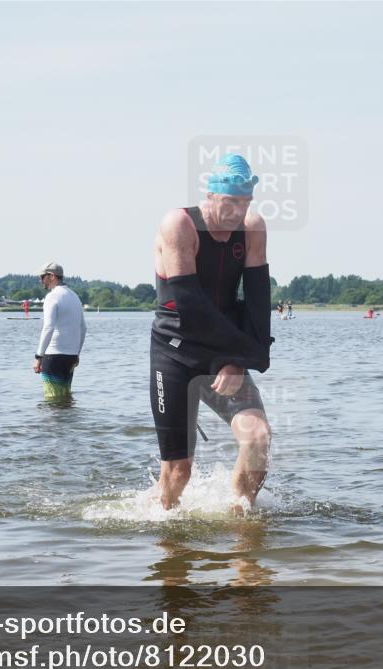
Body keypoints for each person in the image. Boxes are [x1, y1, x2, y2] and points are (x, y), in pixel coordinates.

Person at [150, 153, 273, 512]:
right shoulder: (180, 225)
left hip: (225, 350)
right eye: (231, 202)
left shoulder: (252, 227)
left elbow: (257, 301)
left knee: (258, 437)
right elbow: (189, 307)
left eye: (246, 202)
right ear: (211, 195)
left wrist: (240, 360)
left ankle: (241, 522)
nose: (239, 211)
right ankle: (167, 536)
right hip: (175, 351)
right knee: (178, 471)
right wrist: (230, 355)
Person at [33, 262, 86, 402]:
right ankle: (68, 424)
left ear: (52, 276)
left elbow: (48, 327)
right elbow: (83, 328)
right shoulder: (74, 296)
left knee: (52, 401)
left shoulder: (52, 296)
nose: (40, 281)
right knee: (65, 398)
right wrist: (77, 354)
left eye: (42, 277)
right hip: (71, 356)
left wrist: (38, 357)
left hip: (53, 356)